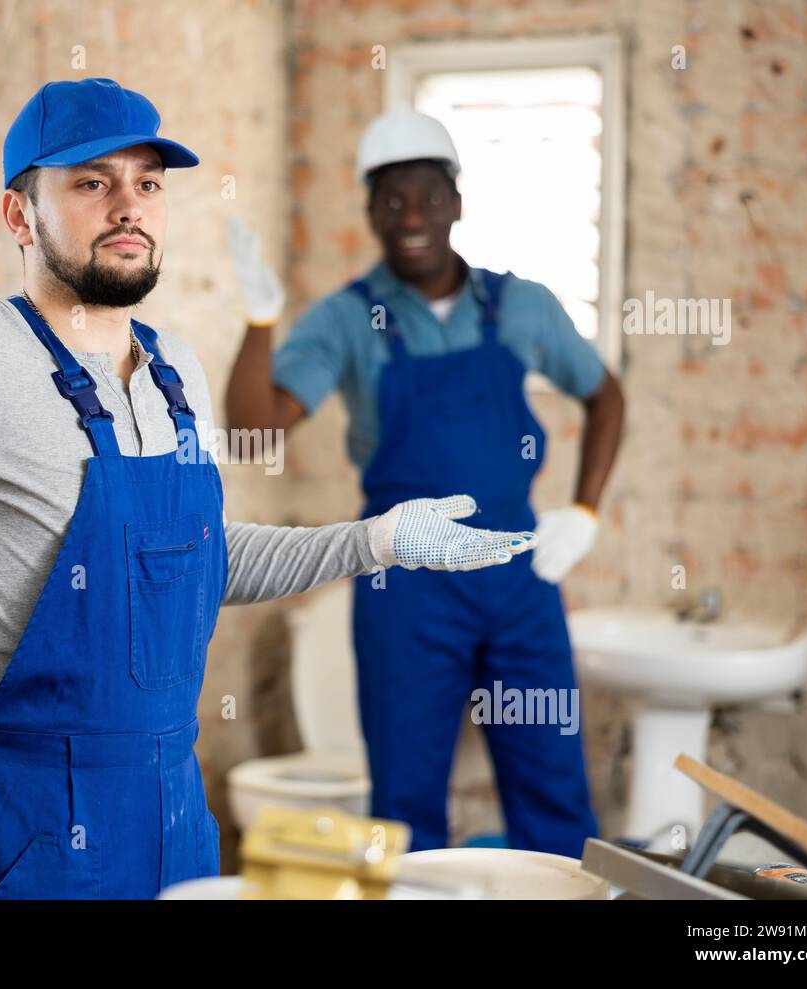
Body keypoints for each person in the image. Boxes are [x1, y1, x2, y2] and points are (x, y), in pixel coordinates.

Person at [0, 79, 537, 899]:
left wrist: (376, 540)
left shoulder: (174, 372)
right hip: (24, 825)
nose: (129, 206)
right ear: (19, 215)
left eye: (147, 183)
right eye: (91, 183)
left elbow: (204, 562)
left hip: (173, 816)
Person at [225, 107, 625, 856]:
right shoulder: (348, 319)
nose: (412, 216)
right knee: (405, 804)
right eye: (392, 199)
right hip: (404, 580)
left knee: (554, 792)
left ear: (458, 203)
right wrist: (260, 318)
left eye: (429, 196)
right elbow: (256, 427)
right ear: (371, 210)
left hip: (518, 570)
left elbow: (607, 393)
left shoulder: (522, 306)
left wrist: (585, 512)